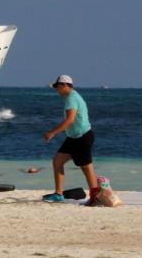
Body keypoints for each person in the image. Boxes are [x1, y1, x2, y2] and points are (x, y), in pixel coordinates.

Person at [42, 75, 100, 204]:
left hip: (82, 137)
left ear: (65, 85)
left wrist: (52, 133)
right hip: (73, 137)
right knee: (57, 161)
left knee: (86, 167)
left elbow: (70, 120)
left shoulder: (72, 99)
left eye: (58, 87)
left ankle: (95, 196)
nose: (57, 90)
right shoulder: (73, 96)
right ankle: (58, 194)